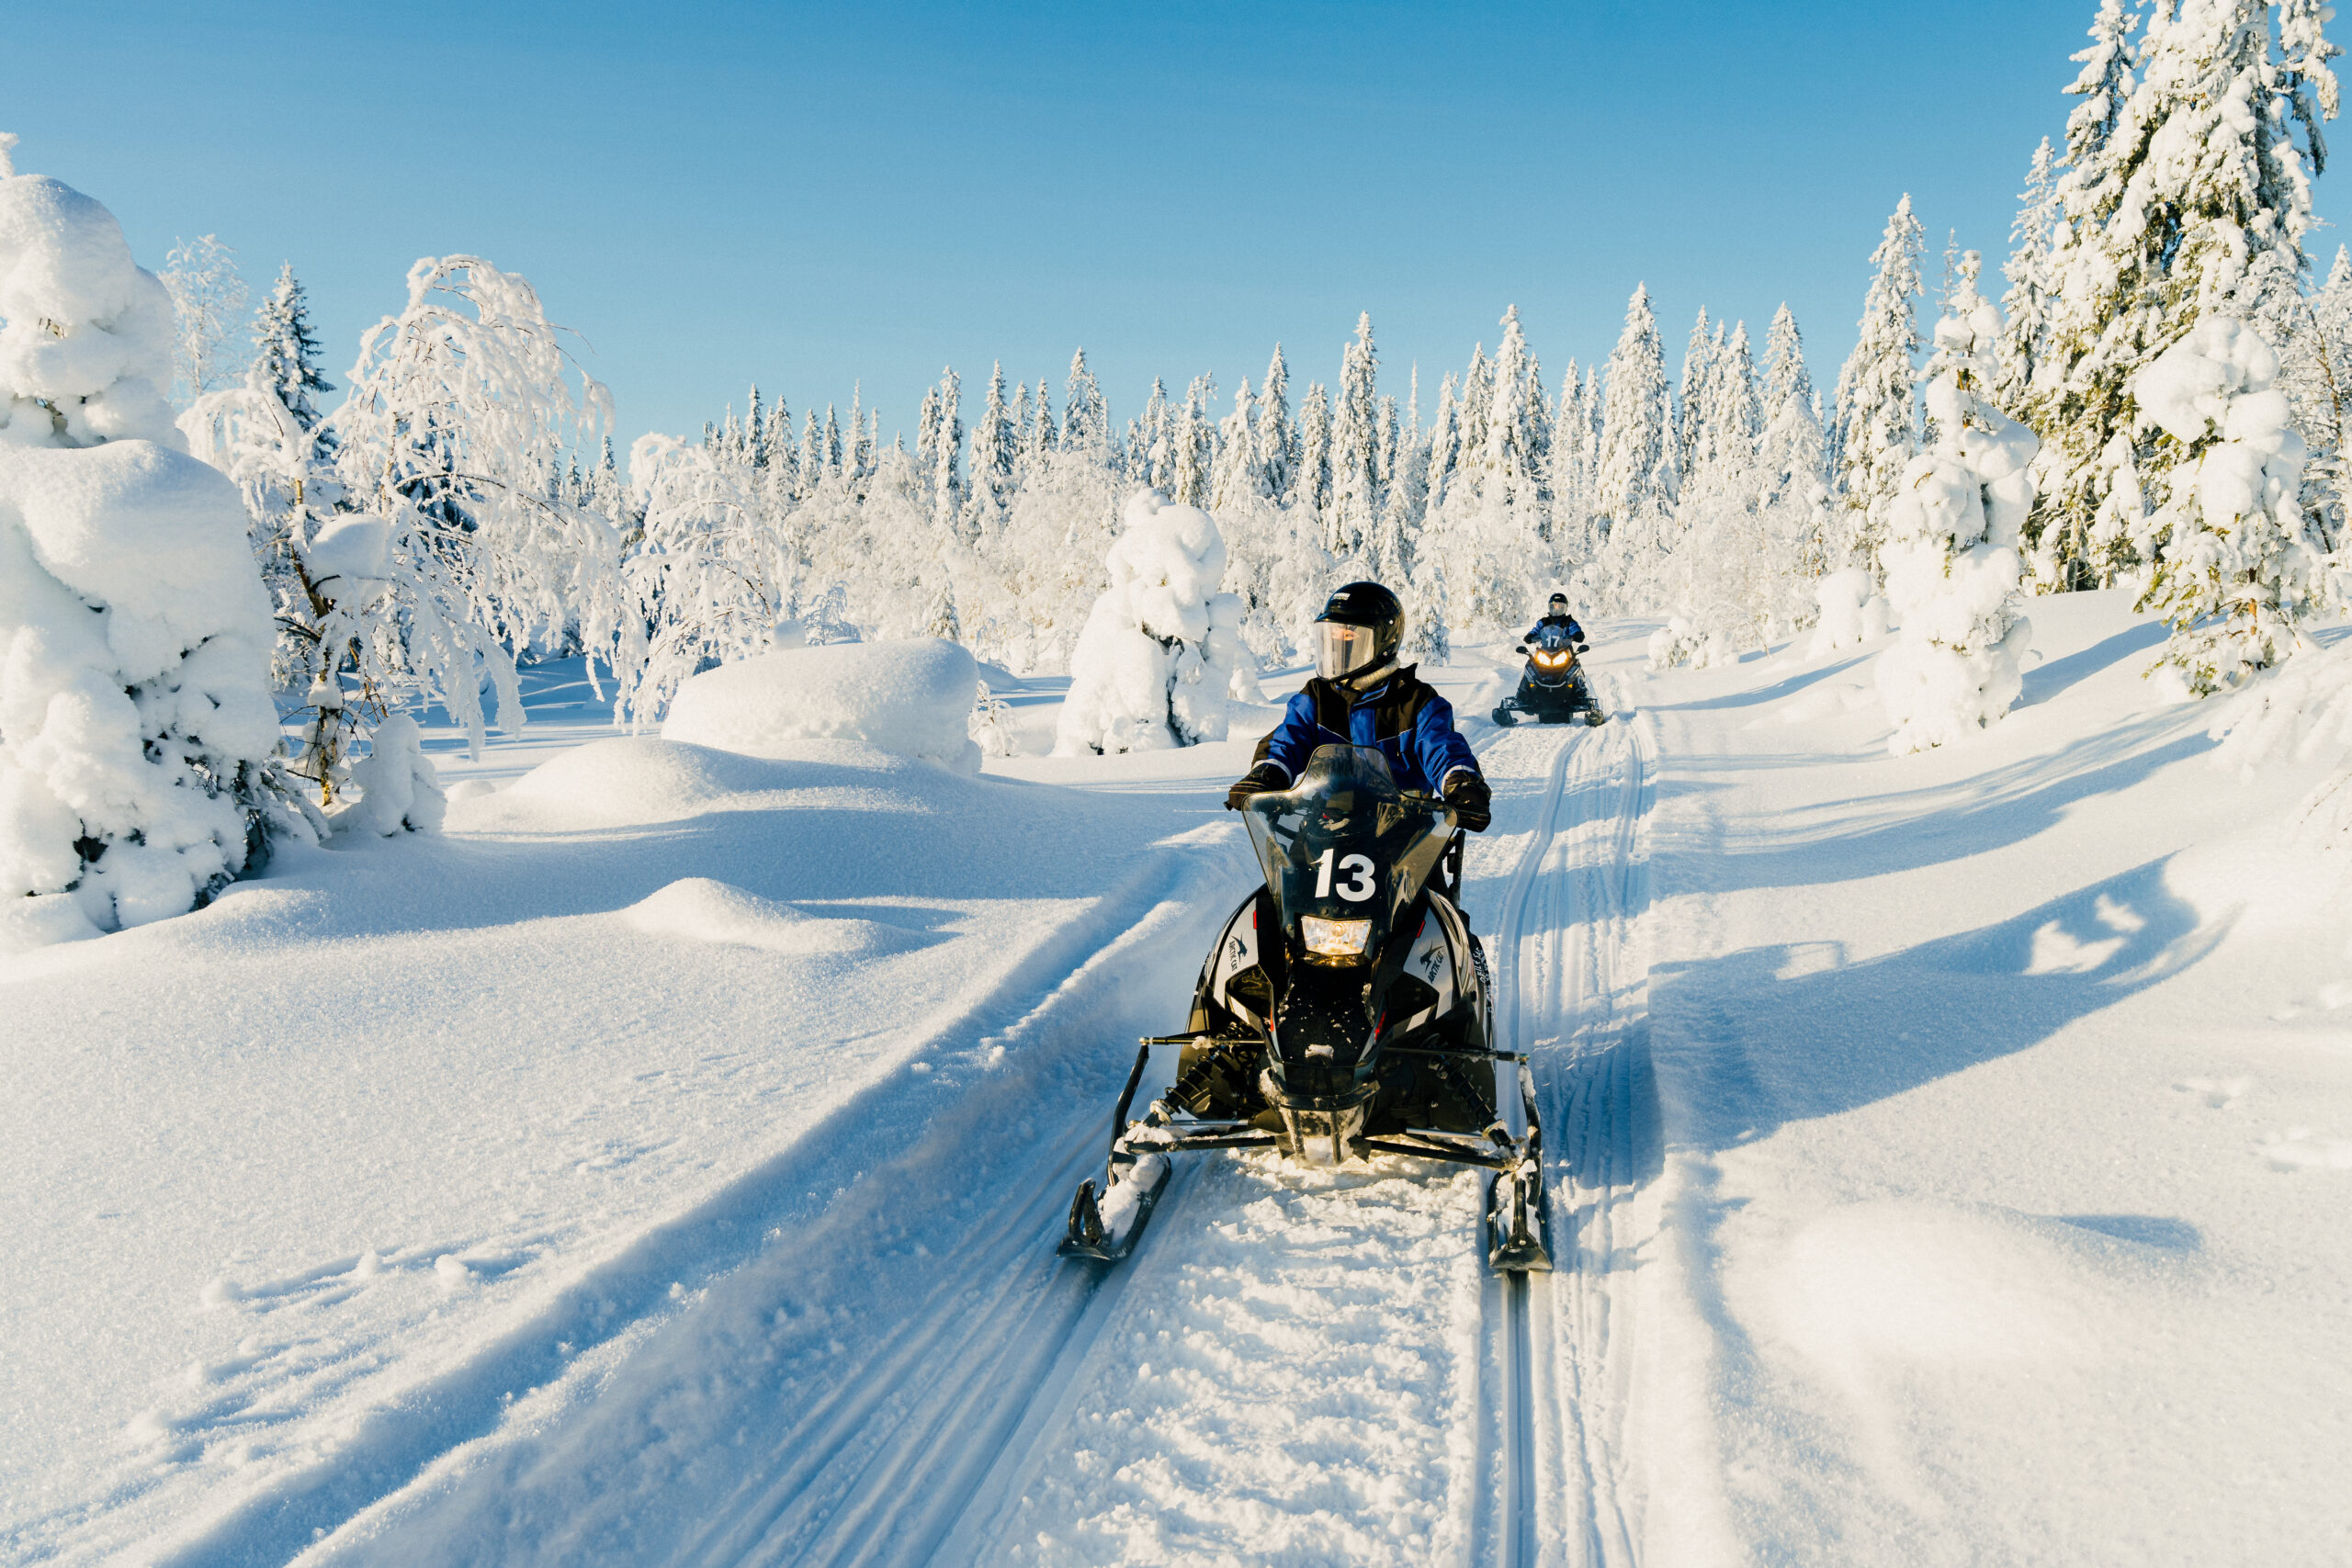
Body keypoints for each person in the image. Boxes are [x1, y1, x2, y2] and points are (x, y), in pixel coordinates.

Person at [1226, 581, 1491, 832]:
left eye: (1349, 637)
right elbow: (1288, 741)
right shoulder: (1317, 697)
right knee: (1286, 863)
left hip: (1404, 831)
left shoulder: (1416, 701)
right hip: (1326, 827)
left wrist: (1461, 783)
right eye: (1333, 637)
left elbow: (1442, 748)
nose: (1339, 647)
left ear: (1383, 642)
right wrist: (1268, 773)